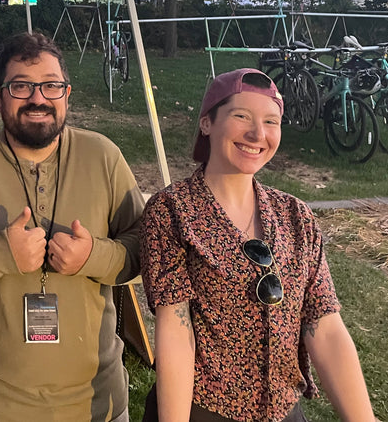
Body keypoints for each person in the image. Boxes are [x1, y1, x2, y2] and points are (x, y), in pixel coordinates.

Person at [0, 31, 144, 422]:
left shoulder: (103, 156)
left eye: (51, 86)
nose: (38, 99)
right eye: (22, 86)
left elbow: (145, 250)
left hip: (99, 401)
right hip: (4, 403)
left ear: (67, 94)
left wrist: (92, 256)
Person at [140, 68, 375, 422]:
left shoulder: (296, 216)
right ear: (207, 123)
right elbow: (176, 331)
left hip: (284, 411)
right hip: (203, 409)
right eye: (241, 116)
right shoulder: (172, 211)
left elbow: (324, 325)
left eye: (270, 121)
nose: (257, 133)